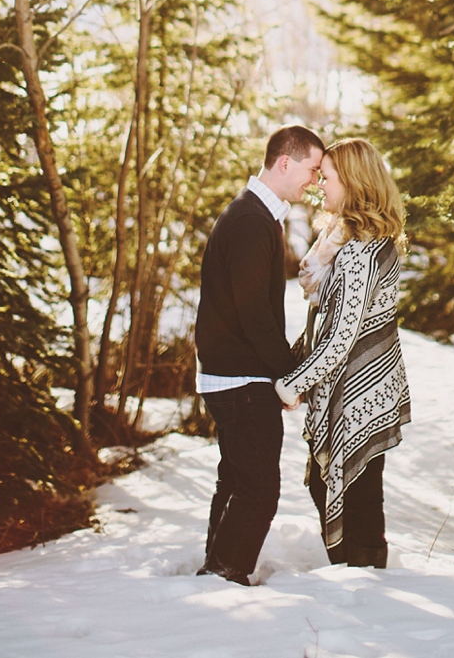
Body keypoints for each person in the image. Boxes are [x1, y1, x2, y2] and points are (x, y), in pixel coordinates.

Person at [194, 123, 325, 585]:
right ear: (285, 162)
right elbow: (254, 313)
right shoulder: (251, 220)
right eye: (311, 170)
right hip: (240, 378)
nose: (314, 182)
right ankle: (225, 576)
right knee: (258, 489)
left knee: (235, 481)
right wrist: (293, 375)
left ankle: (215, 568)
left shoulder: (258, 215)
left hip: (231, 375)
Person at [275, 138, 411, 569]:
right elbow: (332, 323)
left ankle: (362, 581)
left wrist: (289, 385)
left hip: (357, 394)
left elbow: (340, 338)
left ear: (352, 182)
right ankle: (363, 580)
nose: (321, 186)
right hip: (368, 388)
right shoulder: (367, 242)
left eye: (328, 177)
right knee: (357, 492)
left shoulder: (358, 255)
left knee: (349, 494)